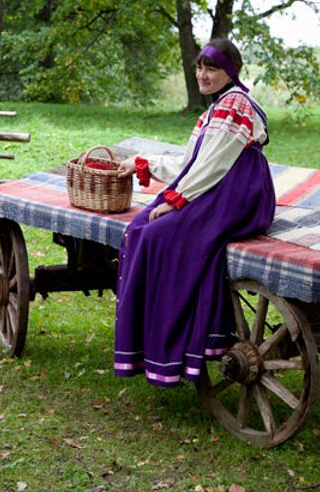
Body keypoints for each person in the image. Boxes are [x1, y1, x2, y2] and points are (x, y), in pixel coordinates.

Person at [113, 38, 276, 387]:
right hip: (215, 189)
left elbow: (214, 165)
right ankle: (148, 342)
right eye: (200, 66)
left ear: (230, 72)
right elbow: (191, 164)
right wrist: (144, 163)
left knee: (158, 235)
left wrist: (176, 200)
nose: (203, 74)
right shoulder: (212, 111)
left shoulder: (236, 104)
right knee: (139, 229)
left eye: (212, 67)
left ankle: (179, 340)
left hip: (236, 195)